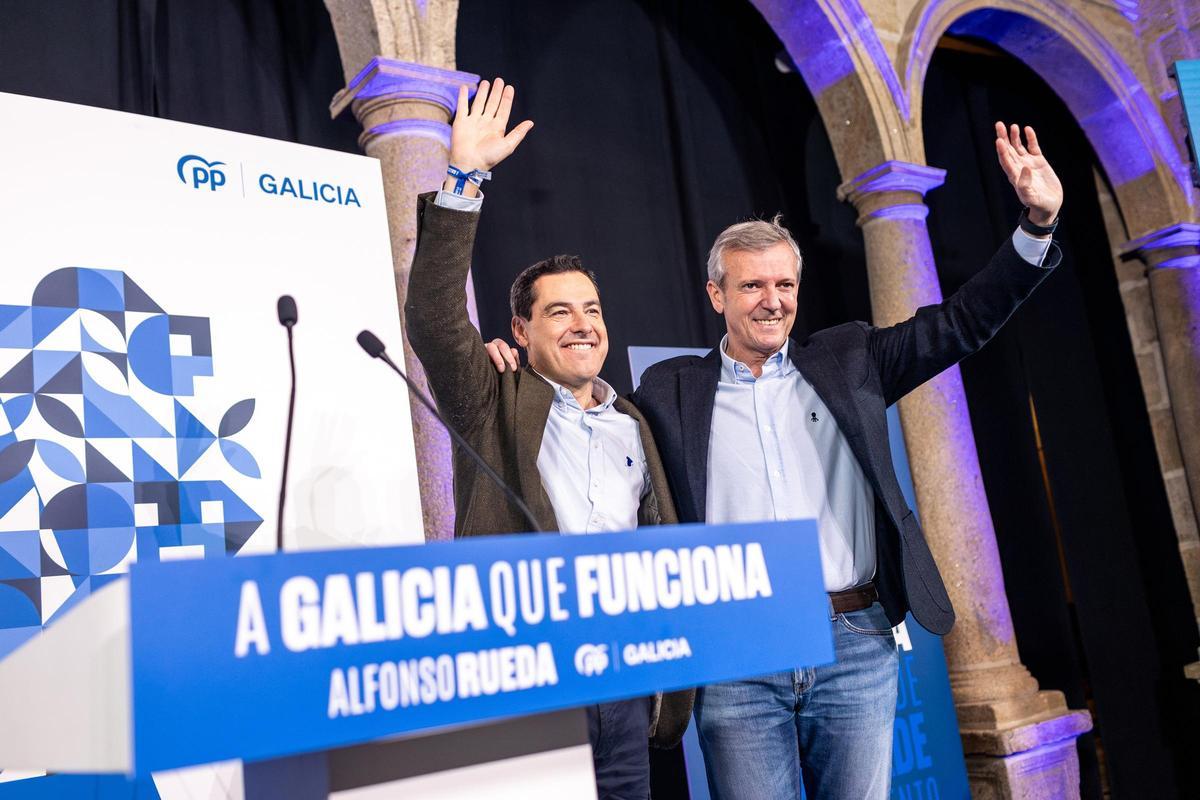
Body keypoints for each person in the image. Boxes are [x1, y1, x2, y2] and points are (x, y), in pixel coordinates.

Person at [487, 122, 1063, 798]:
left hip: (855, 641)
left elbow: (962, 323)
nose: (773, 301)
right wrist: (519, 377)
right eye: (753, 286)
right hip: (737, 651)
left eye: (784, 285)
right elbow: (589, 423)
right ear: (716, 295)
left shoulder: (852, 360)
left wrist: (1036, 223)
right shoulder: (667, 393)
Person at [403, 76, 692, 800]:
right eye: (559, 312)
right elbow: (435, 317)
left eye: (591, 309)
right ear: (520, 333)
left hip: (625, 678)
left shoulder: (635, 422)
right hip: (530, 679)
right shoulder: (491, 399)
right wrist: (464, 178)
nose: (583, 324)